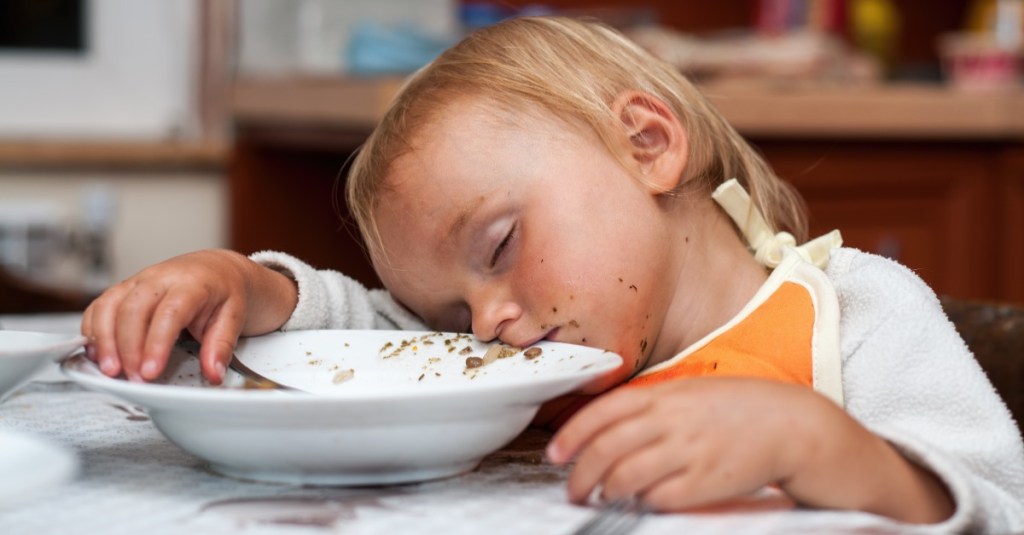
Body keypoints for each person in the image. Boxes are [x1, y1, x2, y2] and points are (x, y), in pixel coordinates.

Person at [81, 16, 1024, 532]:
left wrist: (819, 444)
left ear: (648, 144)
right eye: (446, 311)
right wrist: (249, 286)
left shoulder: (855, 314)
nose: (485, 325)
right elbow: (361, 335)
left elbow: (995, 505)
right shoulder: (506, 350)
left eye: (498, 247)